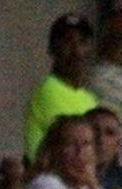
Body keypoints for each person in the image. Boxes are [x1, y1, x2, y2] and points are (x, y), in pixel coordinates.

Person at [27, 13, 98, 163]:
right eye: (67, 42)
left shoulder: (89, 98)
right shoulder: (48, 90)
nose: (77, 51)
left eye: (82, 42)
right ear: (52, 49)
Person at [26, 114, 102, 189]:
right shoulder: (45, 183)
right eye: (70, 144)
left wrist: (93, 186)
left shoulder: (86, 186)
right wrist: (93, 186)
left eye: (86, 144)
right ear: (55, 150)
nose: (79, 152)